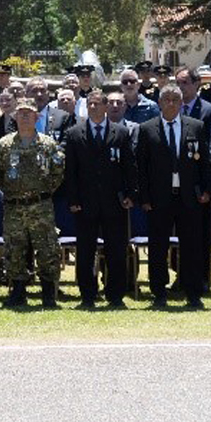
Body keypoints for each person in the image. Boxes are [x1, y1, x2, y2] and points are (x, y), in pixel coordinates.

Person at [135, 83, 211, 306]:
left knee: (192, 247)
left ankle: (193, 292)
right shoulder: (147, 129)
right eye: (166, 99)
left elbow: (205, 162)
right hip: (159, 199)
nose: (170, 103)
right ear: (159, 103)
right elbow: (141, 167)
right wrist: (145, 198)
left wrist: (207, 191)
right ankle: (159, 293)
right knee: (158, 247)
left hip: (189, 197)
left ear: (181, 103)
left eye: (175, 99)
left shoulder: (195, 126)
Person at [63, 88, 135, 308]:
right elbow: (70, 171)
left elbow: (129, 168)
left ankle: (115, 295)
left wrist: (131, 194)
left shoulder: (120, 133)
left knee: (116, 251)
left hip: (114, 202)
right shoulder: (74, 134)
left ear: (106, 107)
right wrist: (73, 199)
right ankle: (87, 295)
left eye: (97, 104)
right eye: (90, 104)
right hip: (85, 203)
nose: (93, 107)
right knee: (85, 252)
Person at [0, 99, 66, 307]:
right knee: (14, 250)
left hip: (41, 206)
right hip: (14, 206)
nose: (25, 116)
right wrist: (13, 191)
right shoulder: (5, 144)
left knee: (47, 250)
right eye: (21, 113)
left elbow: (58, 172)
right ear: (15, 117)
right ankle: (17, 293)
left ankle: (48, 294)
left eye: (29, 113)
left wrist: (41, 192)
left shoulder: (48, 144)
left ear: (37, 117)